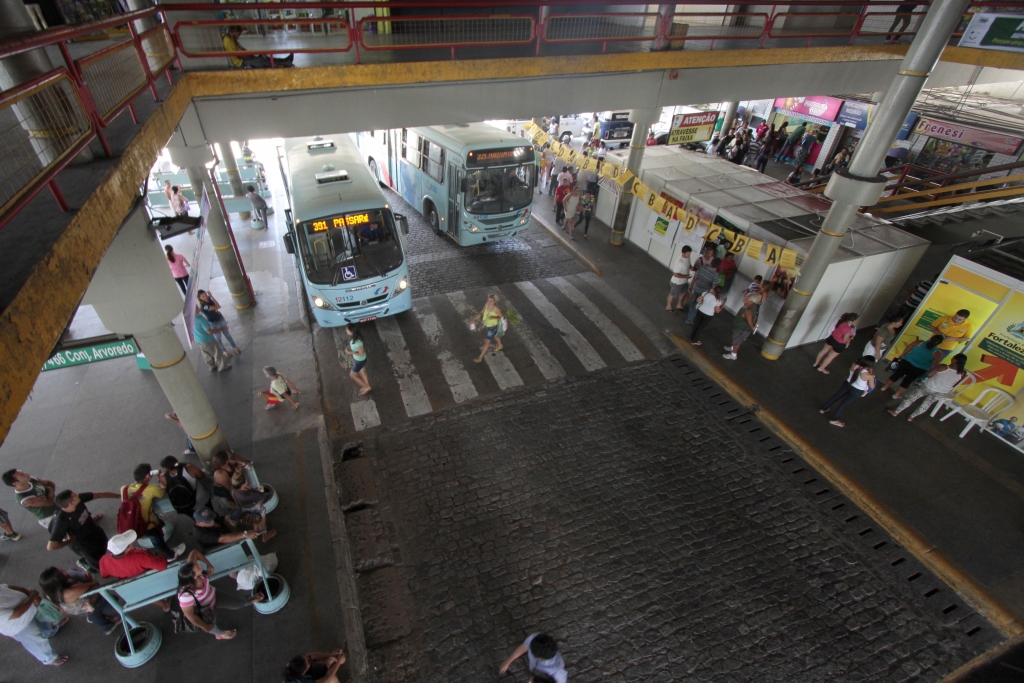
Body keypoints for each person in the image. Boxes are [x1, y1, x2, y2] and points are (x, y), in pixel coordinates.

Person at [177, 548, 264, 640]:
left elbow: (194, 552)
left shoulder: (190, 568)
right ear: (193, 577)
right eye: (198, 568)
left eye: (198, 565)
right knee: (211, 625)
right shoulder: (185, 596)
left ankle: (248, 600)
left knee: (237, 604)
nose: (200, 566)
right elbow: (190, 615)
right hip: (206, 610)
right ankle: (220, 635)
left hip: (214, 594)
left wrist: (209, 564)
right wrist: (205, 627)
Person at [122, 463, 187, 561]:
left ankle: (161, 530)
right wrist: (159, 478)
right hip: (149, 524)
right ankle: (170, 555)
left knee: (155, 526)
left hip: (131, 523)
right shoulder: (151, 488)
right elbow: (163, 490)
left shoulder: (124, 488)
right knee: (157, 541)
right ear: (147, 476)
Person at [48, 489, 119, 572]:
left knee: (105, 545)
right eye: (75, 496)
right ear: (71, 503)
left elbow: (99, 494)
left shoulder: (77, 500)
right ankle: (87, 563)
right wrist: (71, 540)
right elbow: (51, 546)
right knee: (96, 561)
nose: (78, 495)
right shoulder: (62, 521)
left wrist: (120, 496)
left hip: (93, 529)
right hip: (83, 543)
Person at [38, 566, 121, 635]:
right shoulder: (69, 592)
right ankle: (107, 627)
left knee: (93, 612)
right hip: (89, 603)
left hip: (73, 607)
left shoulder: (49, 591)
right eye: (62, 572)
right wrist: (89, 579)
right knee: (104, 606)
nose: (65, 571)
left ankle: (98, 617)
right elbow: (95, 584)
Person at [0, 583, 68, 666]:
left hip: (30, 607)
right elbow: (17, 613)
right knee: (36, 642)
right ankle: (49, 658)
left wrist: (27, 592)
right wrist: (31, 597)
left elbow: (9, 587)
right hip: (18, 626)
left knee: (44, 621)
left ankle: (51, 630)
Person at [888, 353, 968, 422]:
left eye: (953, 357)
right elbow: (956, 384)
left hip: (929, 386)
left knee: (912, 398)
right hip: (942, 392)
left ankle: (896, 412)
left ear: (955, 360)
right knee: (926, 404)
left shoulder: (943, 367)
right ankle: (911, 417)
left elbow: (929, 375)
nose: (952, 358)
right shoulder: (963, 373)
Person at [881, 334, 944, 399]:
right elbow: (934, 365)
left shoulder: (920, 342)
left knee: (897, 375)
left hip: (906, 362)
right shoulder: (938, 353)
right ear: (940, 343)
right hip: (919, 369)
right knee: (907, 381)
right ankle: (896, 395)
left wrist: (903, 354)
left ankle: (884, 387)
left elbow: (908, 347)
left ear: (931, 338)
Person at [819, 356, 876, 427]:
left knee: (836, 396)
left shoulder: (854, 365)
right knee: (844, 404)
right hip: (857, 390)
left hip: (847, 384)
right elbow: (872, 386)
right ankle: (834, 419)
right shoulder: (868, 375)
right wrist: (872, 376)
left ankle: (824, 408)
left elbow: (851, 370)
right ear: (870, 365)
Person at [192, 506, 274, 550]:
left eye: (211, 518)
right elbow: (223, 539)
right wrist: (244, 534)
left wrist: (234, 533)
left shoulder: (212, 516)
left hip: (225, 534)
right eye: (208, 521)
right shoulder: (201, 534)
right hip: (219, 548)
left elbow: (223, 521)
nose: (212, 521)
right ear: (198, 523)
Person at [498, 632, 567, 683]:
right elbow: (524, 646)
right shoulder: (536, 639)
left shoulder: (558, 675)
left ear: (540, 658)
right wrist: (508, 661)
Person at [98, 530, 168, 579]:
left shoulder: (103, 560)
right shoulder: (140, 557)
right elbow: (162, 565)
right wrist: (160, 551)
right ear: (127, 548)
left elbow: (104, 576)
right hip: (150, 578)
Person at [223, 25, 294, 69]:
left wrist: (250, 54)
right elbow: (237, 55)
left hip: (244, 58)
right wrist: (249, 55)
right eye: (238, 34)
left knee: (263, 57)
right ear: (233, 31)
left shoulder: (232, 39)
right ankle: (283, 63)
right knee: (259, 61)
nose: (238, 36)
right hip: (240, 62)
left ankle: (284, 60)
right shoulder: (227, 40)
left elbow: (241, 49)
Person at [198, 290, 240, 357]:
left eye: (205, 295)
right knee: (218, 338)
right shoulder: (204, 307)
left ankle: (234, 346)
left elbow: (218, 306)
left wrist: (211, 297)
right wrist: (211, 298)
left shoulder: (209, 299)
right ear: (200, 298)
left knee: (227, 334)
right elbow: (217, 307)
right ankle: (224, 350)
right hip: (213, 322)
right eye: (203, 297)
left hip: (220, 318)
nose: (205, 297)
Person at [724, 289, 763, 360]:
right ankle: (732, 348)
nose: (744, 298)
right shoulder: (750, 305)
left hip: (741, 329)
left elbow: (750, 322)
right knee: (736, 340)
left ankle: (733, 355)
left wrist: (752, 327)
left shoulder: (748, 311)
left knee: (737, 342)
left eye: (746, 298)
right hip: (740, 328)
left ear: (751, 301)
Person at [194, 306, 232, 372]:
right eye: (196, 307)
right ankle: (222, 367)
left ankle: (212, 366)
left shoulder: (190, 318)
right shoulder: (200, 319)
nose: (198, 307)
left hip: (198, 339)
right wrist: (221, 328)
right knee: (216, 352)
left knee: (206, 354)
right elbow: (209, 331)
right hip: (207, 339)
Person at [686, 257, 721, 325]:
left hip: (696, 288)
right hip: (704, 293)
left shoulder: (702, 268)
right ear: (718, 266)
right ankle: (689, 320)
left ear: (711, 262)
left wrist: (691, 286)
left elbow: (695, 278)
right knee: (697, 306)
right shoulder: (715, 275)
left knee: (694, 302)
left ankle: (690, 315)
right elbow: (714, 288)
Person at [471, 294, 505, 362]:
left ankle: (480, 357)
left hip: (492, 327)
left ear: (495, 301)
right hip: (487, 325)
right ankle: (500, 345)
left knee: (486, 342)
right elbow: (481, 312)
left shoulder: (497, 309)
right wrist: (474, 319)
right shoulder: (486, 304)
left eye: (491, 301)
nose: (489, 302)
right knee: (495, 335)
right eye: (488, 300)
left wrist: (494, 317)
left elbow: (502, 317)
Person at [284, 649, 348, 683]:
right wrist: (338, 662)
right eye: (308, 662)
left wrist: (331, 656)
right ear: (303, 673)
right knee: (332, 679)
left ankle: (328, 664)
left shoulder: (293, 665)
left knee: (322, 667)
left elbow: (312, 656)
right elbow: (327, 678)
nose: (309, 659)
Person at [344, 324, 372, 395]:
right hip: (360, 360)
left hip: (360, 361)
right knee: (362, 373)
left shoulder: (357, 342)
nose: (346, 331)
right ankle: (367, 387)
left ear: (352, 331)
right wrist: (349, 347)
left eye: (347, 330)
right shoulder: (356, 338)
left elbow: (361, 353)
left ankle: (366, 386)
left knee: (352, 375)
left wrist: (350, 352)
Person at [666, 245, 693, 313]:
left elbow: (689, 264)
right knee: (673, 294)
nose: (689, 254)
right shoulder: (679, 262)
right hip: (677, 282)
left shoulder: (688, 258)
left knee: (684, 292)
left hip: (684, 281)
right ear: (683, 253)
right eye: (687, 253)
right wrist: (686, 276)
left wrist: (691, 268)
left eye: (690, 253)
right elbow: (675, 274)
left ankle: (679, 305)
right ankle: (668, 306)